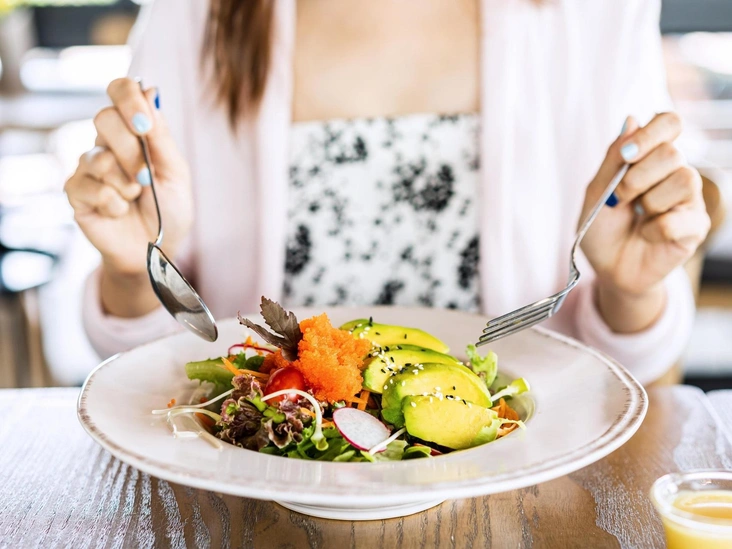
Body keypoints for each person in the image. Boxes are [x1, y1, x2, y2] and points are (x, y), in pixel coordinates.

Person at [65, 0, 710, 385]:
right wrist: (135, 268)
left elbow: (628, 365)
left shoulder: (597, 14)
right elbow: (147, 364)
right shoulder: (194, 13)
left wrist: (631, 290)